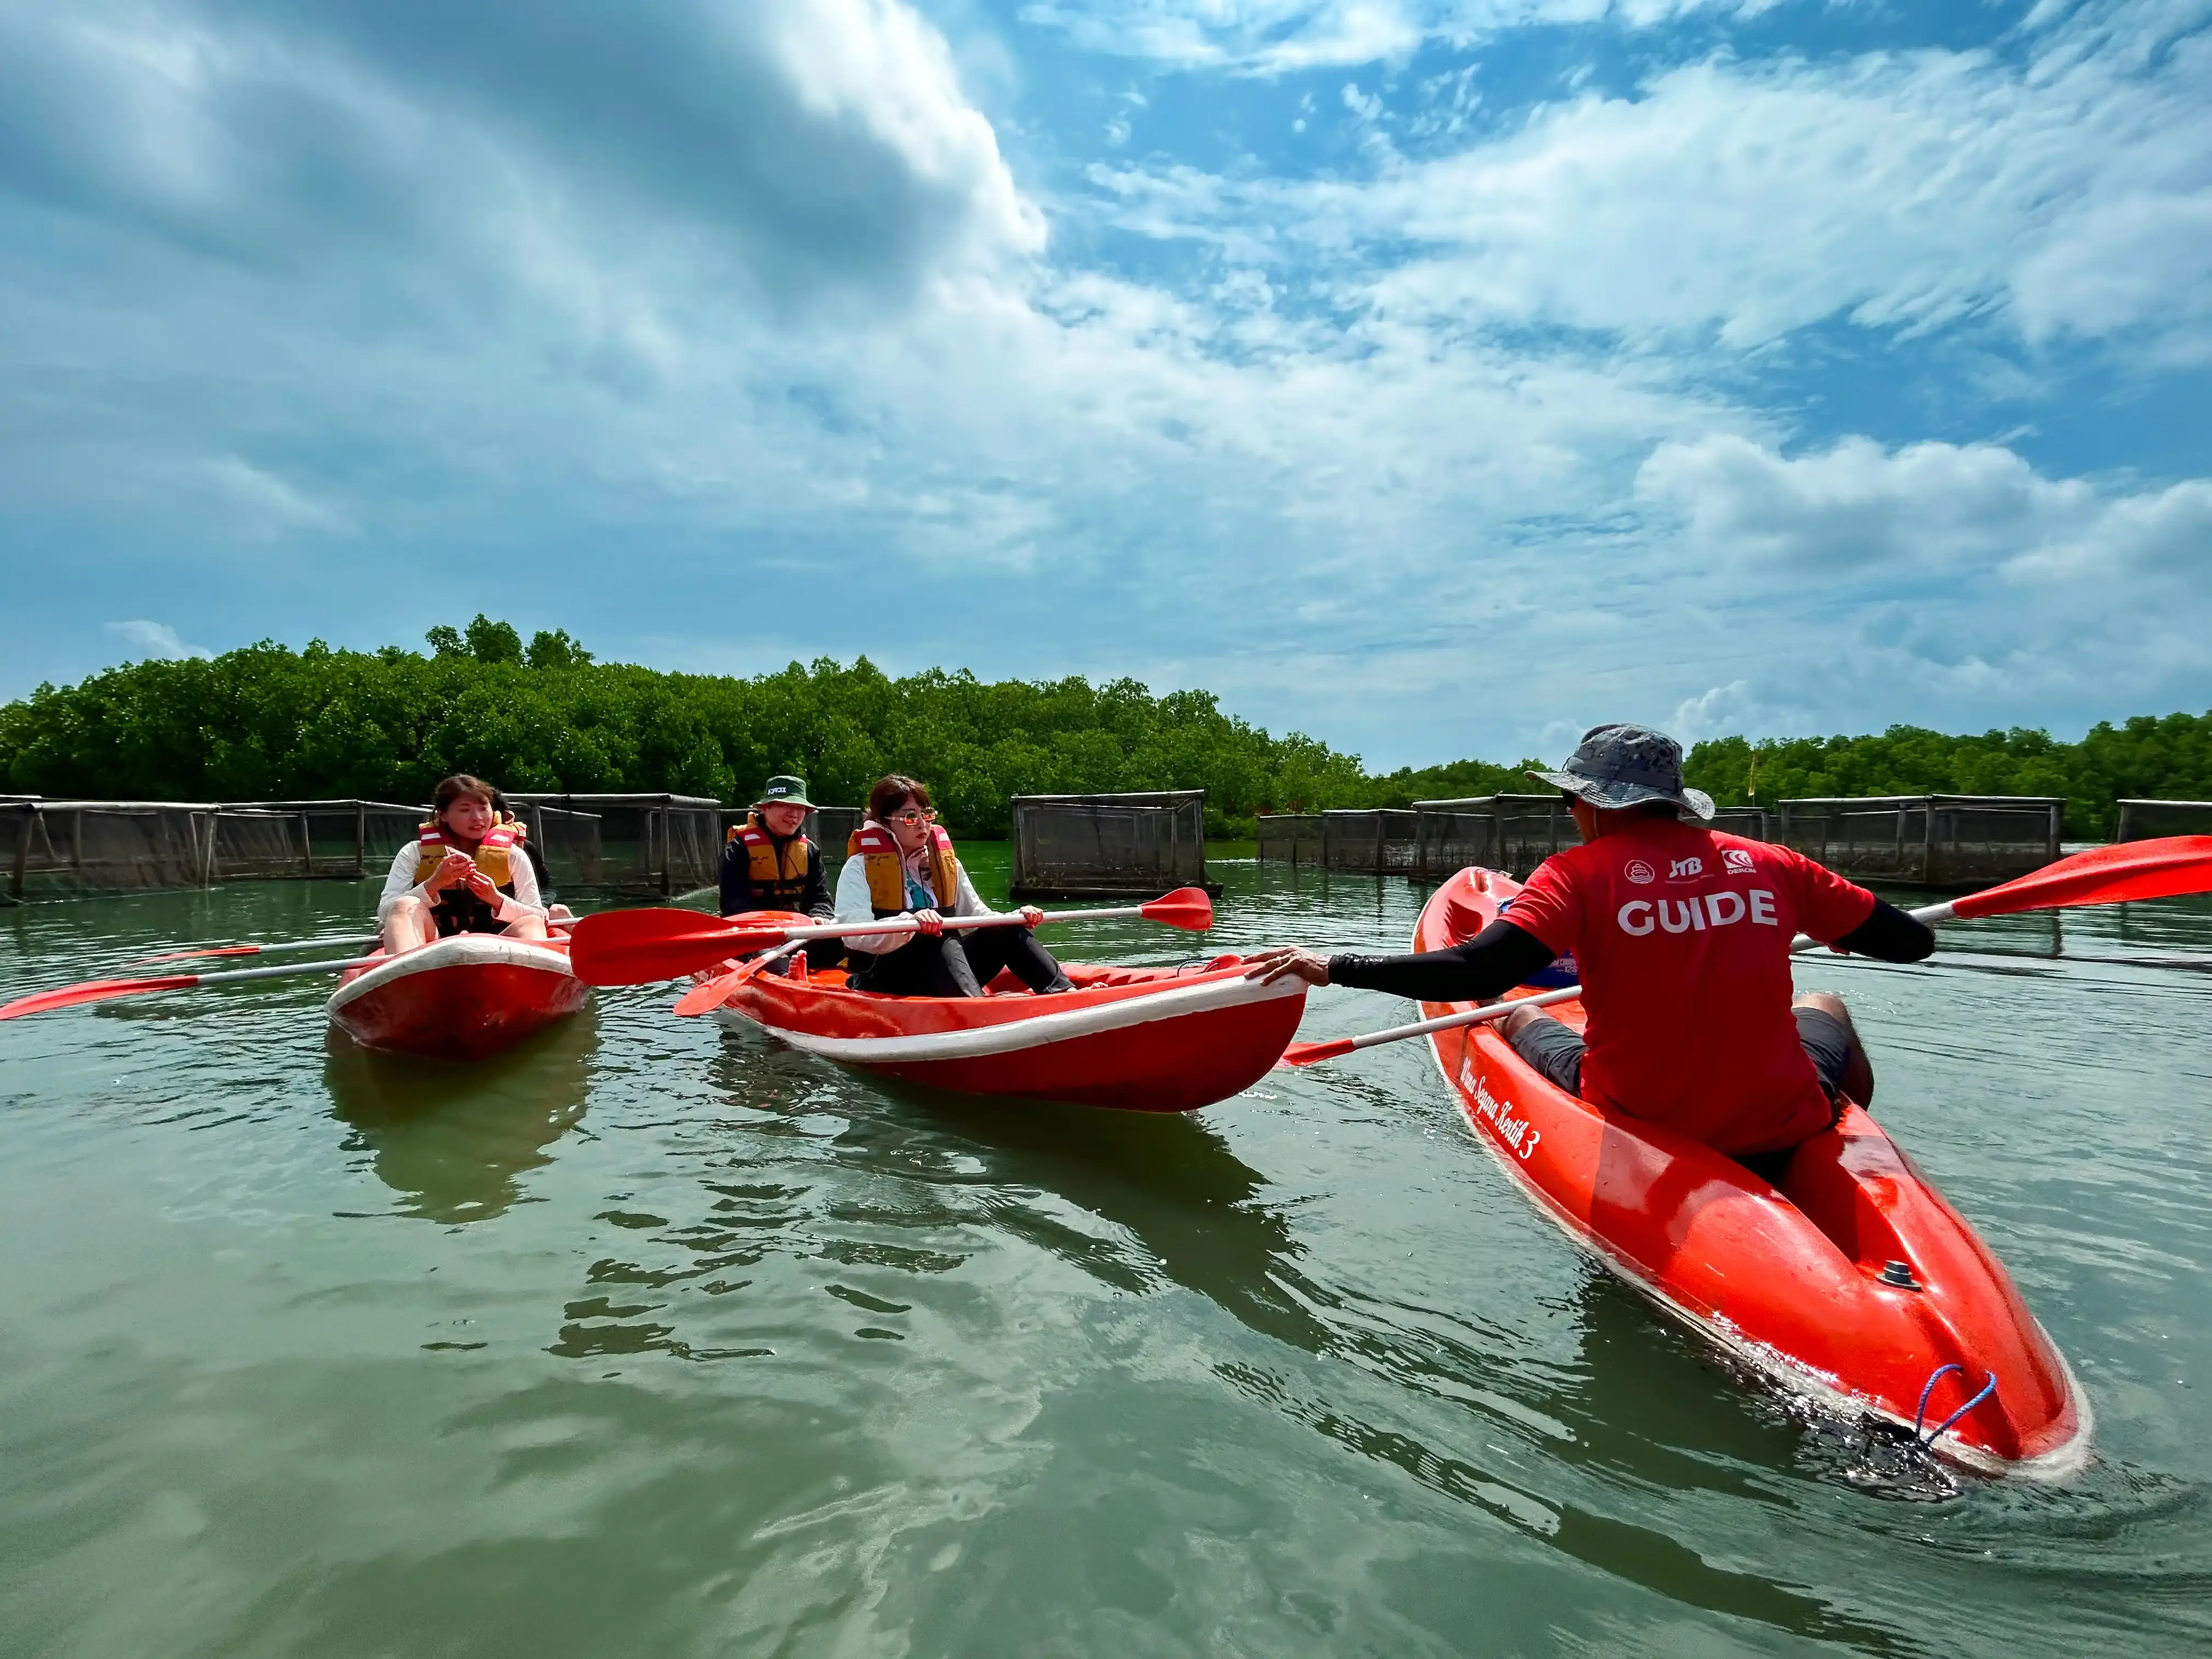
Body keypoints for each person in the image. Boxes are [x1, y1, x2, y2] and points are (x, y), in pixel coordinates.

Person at [1245, 724, 1936, 1178]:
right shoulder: (1777, 865)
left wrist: (1334, 965)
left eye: (1574, 799)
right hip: (1779, 1117)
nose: (1572, 812)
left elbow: (1478, 969)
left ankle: (1524, 1040)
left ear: (1596, 804)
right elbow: (1912, 943)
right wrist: (1847, 932)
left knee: (1508, 1012)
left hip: (1643, 1113)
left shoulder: (1577, 875)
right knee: (1824, 1001)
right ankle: (1834, 1142)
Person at [837, 774, 1073, 997]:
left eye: (926, 815)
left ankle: (1063, 993)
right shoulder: (860, 867)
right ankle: (973, 1009)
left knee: (1003, 929)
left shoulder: (945, 864)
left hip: (940, 969)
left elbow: (977, 917)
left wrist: (1015, 917)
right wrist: (907, 924)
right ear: (883, 821)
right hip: (886, 975)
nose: (922, 824)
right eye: (910, 817)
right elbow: (855, 935)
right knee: (934, 932)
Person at [379, 774, 551, 953]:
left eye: (484, 808)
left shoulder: (514, 855)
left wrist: (496, 899)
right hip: (432, 947)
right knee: (403, 904)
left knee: (531, 921)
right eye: (465, 810)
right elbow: (386, 911)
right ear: (443, 815)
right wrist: (434, 884)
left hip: (499, 948)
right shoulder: (413, 853)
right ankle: (409, 976)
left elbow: (537, 914)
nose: (478, 818)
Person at [720, 775, 840, 973]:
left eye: (800, 808)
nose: (794, 815)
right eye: (786, 806)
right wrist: (770, 929)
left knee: (837, 944)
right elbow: (734, 905)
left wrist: (820, 916)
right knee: (768, 955)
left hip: (794, 933)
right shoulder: (739, 848)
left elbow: (820, 898)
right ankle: (786, 975)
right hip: (754, 934)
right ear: (765, 809)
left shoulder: (810, 851)